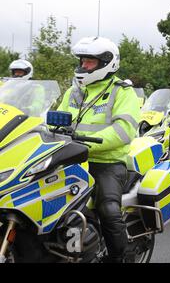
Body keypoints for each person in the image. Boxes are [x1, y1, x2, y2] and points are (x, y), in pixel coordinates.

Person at [57, 37, 141, 263]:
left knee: (109, 209)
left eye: (89, 62)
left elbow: (123, 131)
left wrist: (86, 142)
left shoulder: (122, 92)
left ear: (106, 63)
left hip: (107, 163)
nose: (83, 66)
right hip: (70, 157)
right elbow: (53, 121)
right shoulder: (73, 92)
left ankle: (121, 257)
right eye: (82, 61)